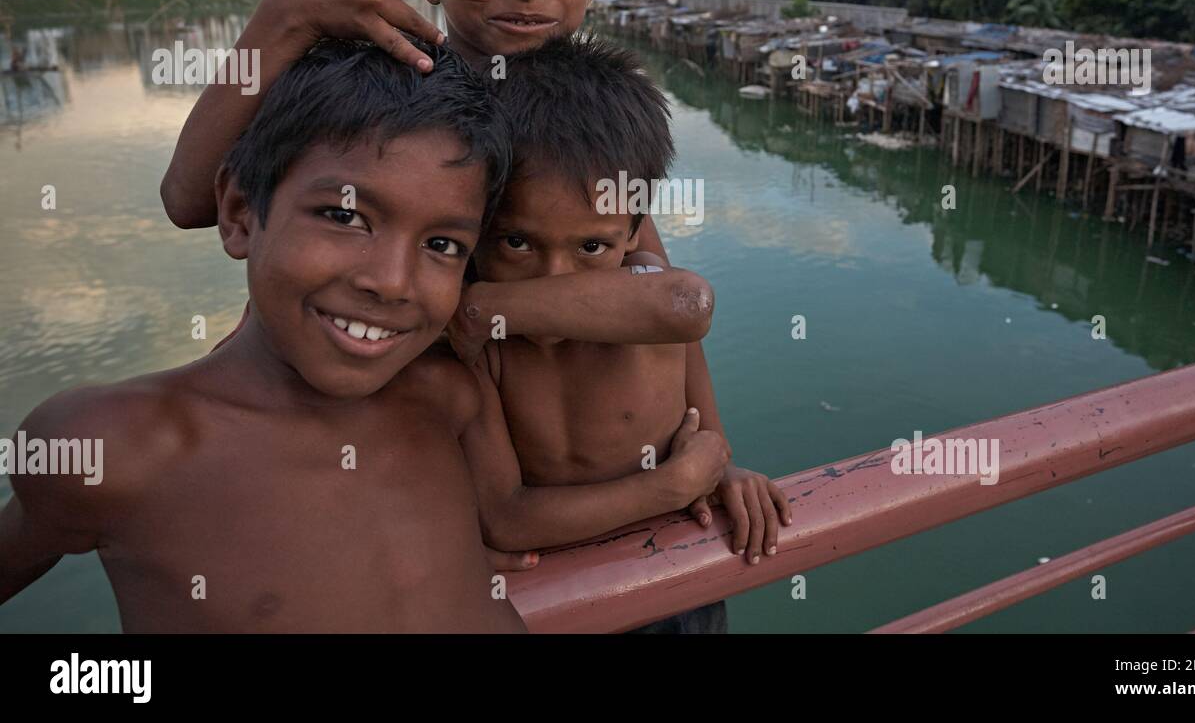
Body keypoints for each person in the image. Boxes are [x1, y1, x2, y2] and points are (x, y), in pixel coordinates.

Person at [0, 40, 525, 632]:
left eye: (442, 245)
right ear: (240, 210)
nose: (392, 282)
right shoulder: (113, 448)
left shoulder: (445, 397)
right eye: (344, 216)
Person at [447, 36, 792, 633]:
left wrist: (718, 471)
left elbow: (691, 322)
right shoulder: (478, 352)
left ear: (635, 229)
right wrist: (677, 483)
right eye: (516, 242)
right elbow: (508, 519)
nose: (553, 282)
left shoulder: (644, 311)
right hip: (554, 599)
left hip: (678, 583)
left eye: (591, 247)